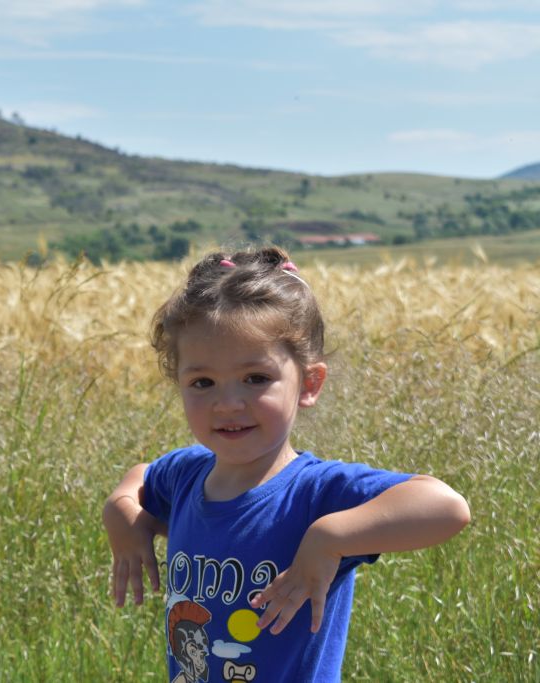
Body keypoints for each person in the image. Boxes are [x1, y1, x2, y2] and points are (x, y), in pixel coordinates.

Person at [102, 247, 470, 682]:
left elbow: (447, 507)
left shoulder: (316, 492)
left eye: (256, 379)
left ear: (308, 384)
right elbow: (140, 477)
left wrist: (329, 538)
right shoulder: (186, 474)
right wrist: (121, 514)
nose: (228, 403)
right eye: (202, 382)